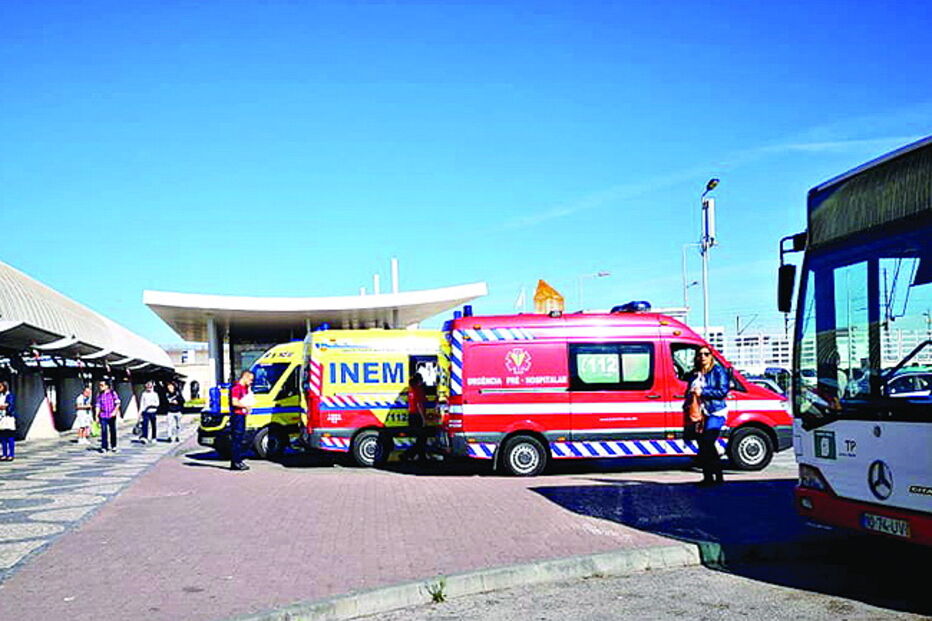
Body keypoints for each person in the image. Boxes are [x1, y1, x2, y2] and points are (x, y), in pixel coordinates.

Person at [684, 347, 731, 486]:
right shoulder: (694, 374)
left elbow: (722, 391)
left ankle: (717, 476)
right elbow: (688, 391)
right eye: (700, 354)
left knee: (708, 441)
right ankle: (709, 477)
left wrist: (703, 392)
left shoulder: (718, 371)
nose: (703, 356)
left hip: (715, 411)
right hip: (699, 413)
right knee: (702, 444)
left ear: (711, 356)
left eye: (706, 354)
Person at [229, 370, 254, 471]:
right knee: (237, 439)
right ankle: (235, 462)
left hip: (242, 415)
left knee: (240, 438)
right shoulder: (236, 388)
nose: (251, 382)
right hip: (237, 416)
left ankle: (238, 460)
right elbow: (234, 402)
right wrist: (245, 406)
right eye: (250, 379)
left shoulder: (245, 388)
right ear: (245, 377)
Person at [402, 372, 429, 462]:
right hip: (417, 416)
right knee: (422, 437)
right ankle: (408, 454)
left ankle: (421, 456)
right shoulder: (419, 390)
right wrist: (424, 419)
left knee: (420, 437)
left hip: (411, 415)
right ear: (419, 381)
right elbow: (419, 405)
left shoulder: (410, 389)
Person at [95, 380, 122, 453]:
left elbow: (118, 403)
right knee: (104, 431)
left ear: (107, 386)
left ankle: (114, 446)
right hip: (103, 415)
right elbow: (98, 405)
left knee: (112, 430)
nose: (100, 387)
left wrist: (115, 411)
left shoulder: (112, 393)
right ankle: (104, 446)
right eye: (100, 385)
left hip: (111, 415)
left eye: (102, 385)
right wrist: (96, 416)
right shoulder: (99, 395)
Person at [0, 381, 17, 461]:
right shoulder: (0, 396)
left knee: (10, 437)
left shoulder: (9, 395)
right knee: (2, 437)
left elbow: (8, 405)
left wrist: (3, 406)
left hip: (8, 418)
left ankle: (11, 454)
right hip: (1, 418)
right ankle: (4, 454)